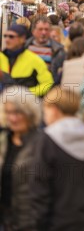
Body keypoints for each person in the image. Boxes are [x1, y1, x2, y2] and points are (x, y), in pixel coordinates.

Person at [30, 86, 84, 231]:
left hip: (55, 223)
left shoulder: (46, 140)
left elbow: (39, 188)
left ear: (54, 109)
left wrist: (38, 224)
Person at [0, 87, 42, 231]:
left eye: (18, 112)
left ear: (30, 113)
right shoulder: (3, 141)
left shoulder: (42, 145)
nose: (13, 118)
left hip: (30, 222)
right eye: (8, 112)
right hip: (5, 218)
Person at [2, 24, 53, 97]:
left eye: (11, 37)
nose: (7, 39)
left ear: (22, 39)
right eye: (5, 36)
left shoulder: (34, 60)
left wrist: (27, 94)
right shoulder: (1, 57)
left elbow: (48, 84)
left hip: (25, 105)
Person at [26, 17, 66, 84]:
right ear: (33, 31)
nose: (43, 32)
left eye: (46, 29)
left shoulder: (59, 50)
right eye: (40, 29)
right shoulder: (25, 47)